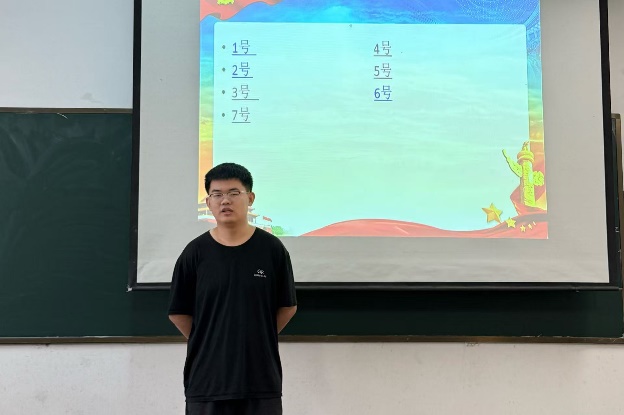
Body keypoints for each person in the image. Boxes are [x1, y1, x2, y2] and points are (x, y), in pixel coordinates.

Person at [168, 162, 297, 415]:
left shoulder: (272, 250)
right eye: (217, 194)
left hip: (260, 380)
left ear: (250, 198)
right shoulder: (194, 253)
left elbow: (287, 306)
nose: (225, 200)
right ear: (209, 202)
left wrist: (256, 335)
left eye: (233, 193)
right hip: (206, 381)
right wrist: (210, 338)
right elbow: (178, 312)